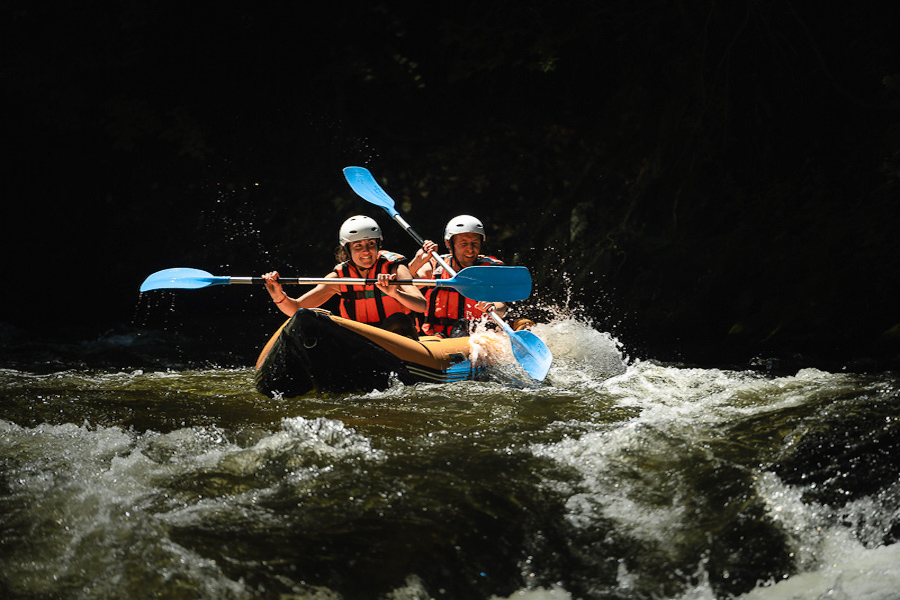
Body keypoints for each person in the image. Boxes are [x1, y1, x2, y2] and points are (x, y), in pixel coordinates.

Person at [262, 215, 425, 338]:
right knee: (319, 319)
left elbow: (421, 305)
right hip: (360, 340)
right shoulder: (338, 278)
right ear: (347, 250)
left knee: (399, 320)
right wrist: (277, 294)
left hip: (398, 338)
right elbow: (296, 308)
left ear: (378, 245)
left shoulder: (395, 268)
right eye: (358, 246)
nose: (366, 251)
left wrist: (395, 293)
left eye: (371, 245)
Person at [409, 214, 509, 338]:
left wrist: (493, 306)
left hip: (477, 335)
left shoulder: (490, 270)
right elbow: (406, 284)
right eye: (463, 243)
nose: (470, 249)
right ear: (449, 244)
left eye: (475, 243)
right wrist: (417, 262)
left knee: (461, 327)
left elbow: (502, 306)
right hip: (436, 337)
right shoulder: (436, 266)